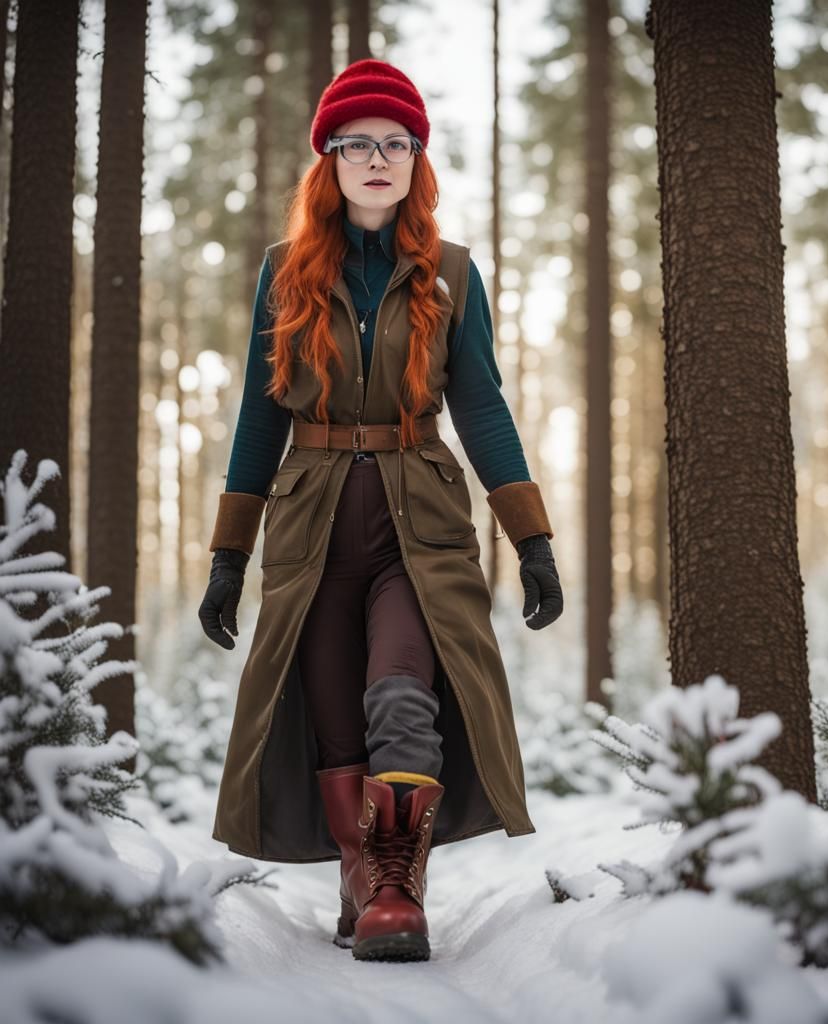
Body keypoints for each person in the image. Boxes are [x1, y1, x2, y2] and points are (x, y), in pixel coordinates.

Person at [198, 59, 563, 963]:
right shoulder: (287, 275)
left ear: (416, 161)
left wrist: (533, 539)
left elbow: (481, 407)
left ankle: (399, 882)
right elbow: (259, 413)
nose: (375, 158)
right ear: (329, 160)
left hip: (421, 528)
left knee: (403, 692)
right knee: (335, 724)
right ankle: (360, 878)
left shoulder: (449, 275)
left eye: (394, 143)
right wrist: (228, 557)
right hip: (311, 526)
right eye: (356, 143)